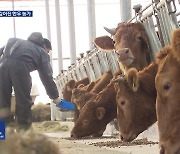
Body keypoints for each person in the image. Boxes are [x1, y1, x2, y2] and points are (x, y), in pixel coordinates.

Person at [0, 32, 62, 130]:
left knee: (2, 104)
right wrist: (55, 97)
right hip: (20, 68)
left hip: (2, 67)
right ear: (44, 46)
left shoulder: (14, 41)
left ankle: (2, 135)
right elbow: (47, 77)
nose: (48, 53)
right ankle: (23, 134)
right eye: (48, 51)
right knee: (23, 101)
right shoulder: (41, 51)